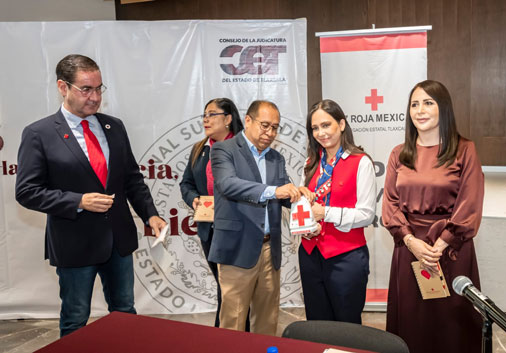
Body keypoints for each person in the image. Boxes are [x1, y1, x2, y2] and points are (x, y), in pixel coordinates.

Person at [15, 54, 167, 337]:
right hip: (75, 243)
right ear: (63, 87)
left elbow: (131, 179)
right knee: (75, 319)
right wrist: (77, 201)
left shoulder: (114, 126)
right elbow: (27, 192)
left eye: (99, 88)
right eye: (86, 89)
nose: (95, 97)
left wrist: (151, 214)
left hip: (118, 241)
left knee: (125, 314)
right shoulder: (39, 133)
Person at [382, 80, 484, 353]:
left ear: (444, 109)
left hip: (450, 251)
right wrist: (412, 242)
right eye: (414, 104)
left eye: (428, 103)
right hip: (409, 249)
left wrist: (441, 244)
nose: (420, 110)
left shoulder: (464, 149)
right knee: (412, 321)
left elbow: (470, 201)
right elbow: (390, 204)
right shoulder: (398, 153)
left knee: (450, 323)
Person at [208, 100, 311, 335]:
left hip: (268, 249)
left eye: (275, 127)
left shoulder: (276, 158)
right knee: (233, 322)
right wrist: (275, 191)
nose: (270, 133)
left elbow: (283, 193)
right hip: (237, 248)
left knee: (267, 320)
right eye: (265, 125)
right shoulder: (224, 150)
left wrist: (298, 194)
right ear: (247, 120)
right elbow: (228, 185)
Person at [299, 99, 376, 324]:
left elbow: (366, 214)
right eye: (315, 128)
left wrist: (325, 213)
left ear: (341, 124)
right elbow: (304, 207)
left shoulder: (361, 162)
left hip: (346, 258)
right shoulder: (310, 163)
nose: (321, 133)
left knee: (346, 326)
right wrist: (305, 223)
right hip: (310, 255)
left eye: (326, 125)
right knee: (317, 323)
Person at [179, 97, 244, 328]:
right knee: (222, 285)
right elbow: (186, 184)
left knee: (235, 289)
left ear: (227, 119)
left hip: (238, 230)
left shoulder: (243, 148)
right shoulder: (200, 149)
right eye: (204, 115)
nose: (206, 119)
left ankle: (232, 335)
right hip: (209, 230)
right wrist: (194, 199)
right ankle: (226, 334)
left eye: (212, 114)